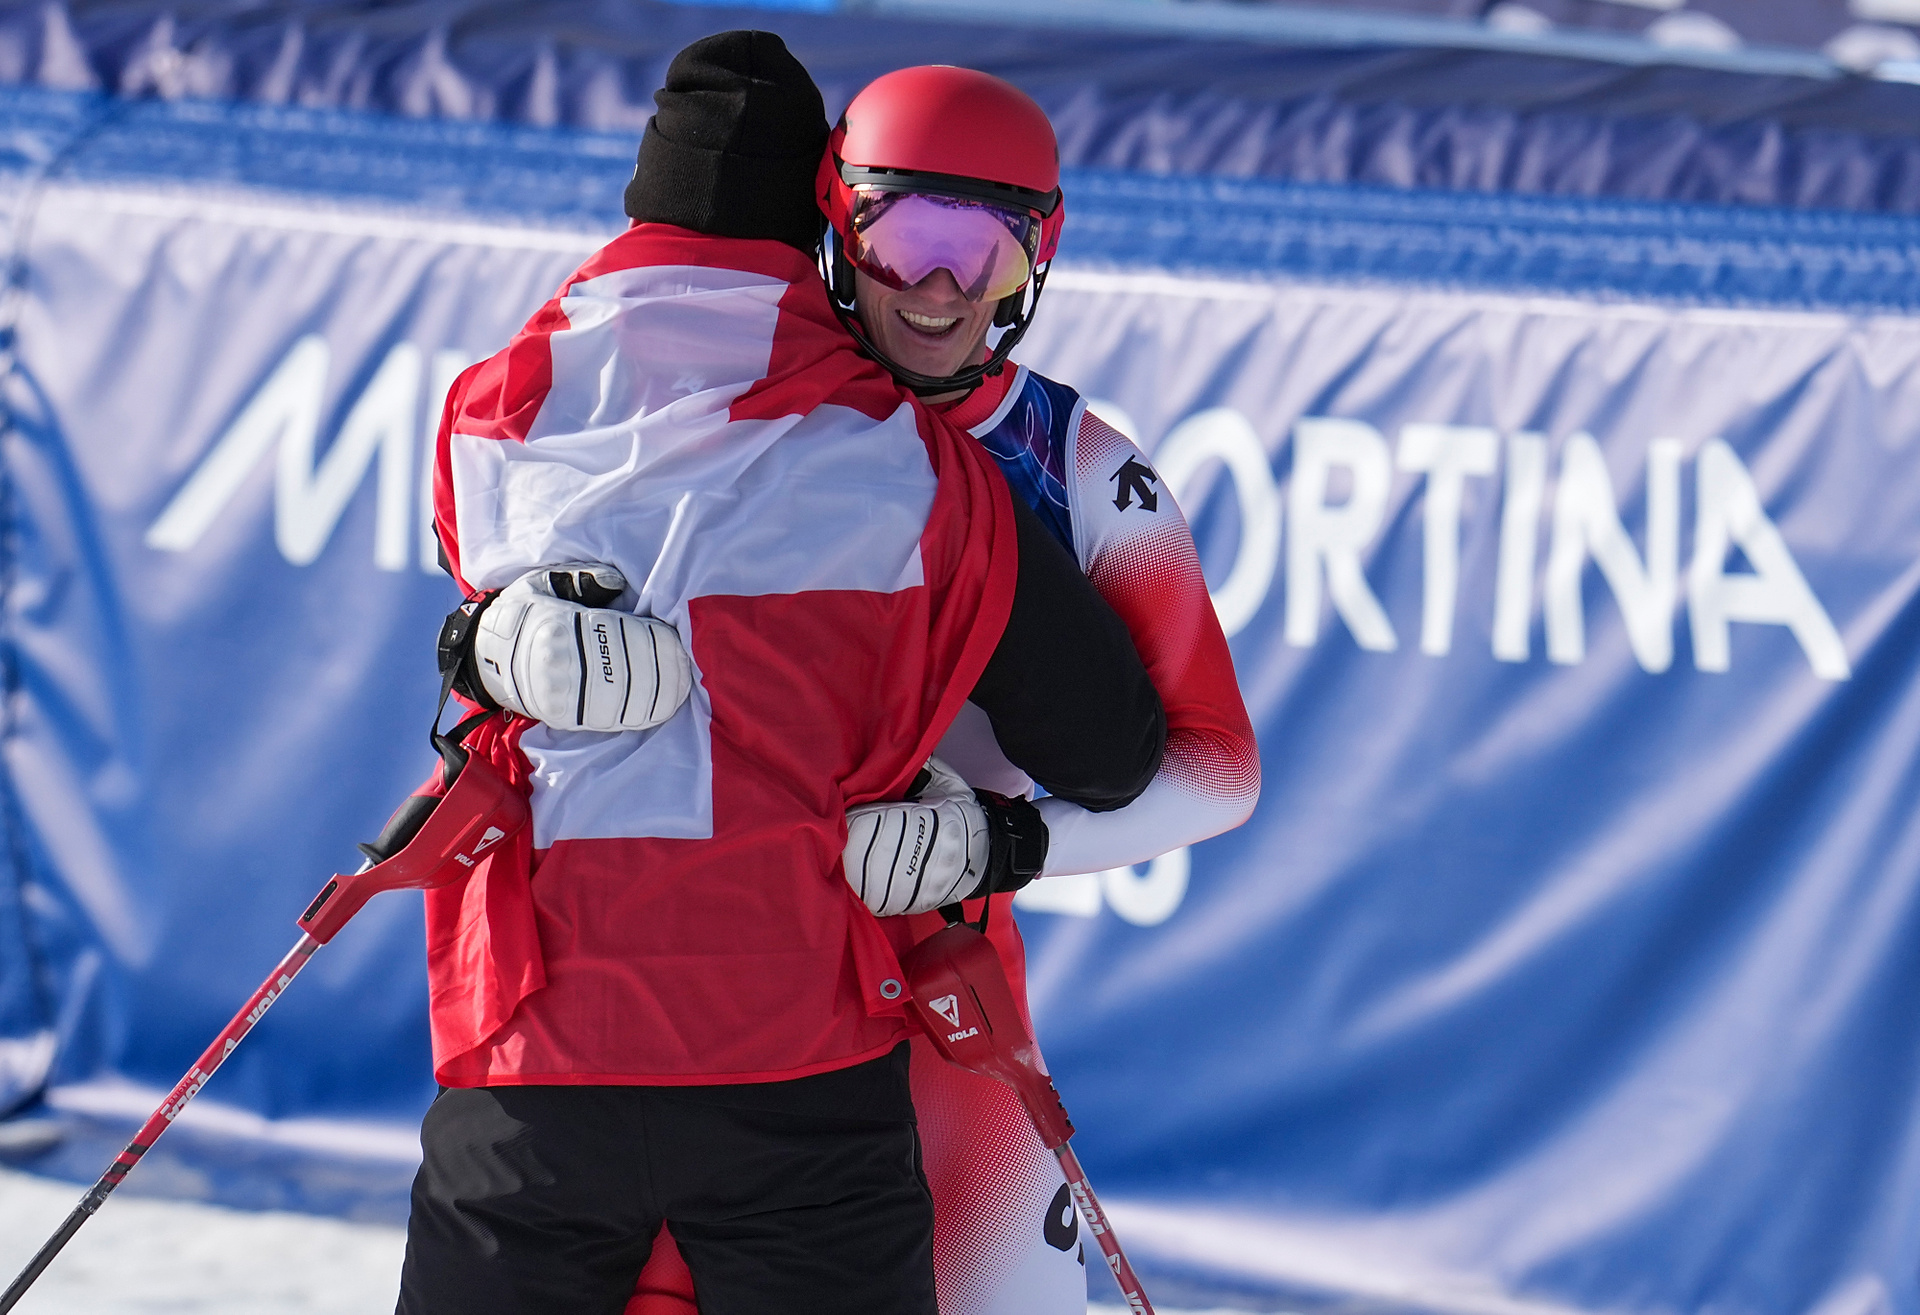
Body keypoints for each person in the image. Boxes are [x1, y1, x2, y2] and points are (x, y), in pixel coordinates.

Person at [396, 32, 1166, 1315]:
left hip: (527, 1083)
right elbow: (1114, 750)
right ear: (826, 229)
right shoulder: (930, 472)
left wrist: (477, 642)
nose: (934, 284)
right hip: (798, 1079)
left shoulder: (489, 413)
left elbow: (474, 638)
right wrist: (1000, 837)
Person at [590, 63, 1262, 1315]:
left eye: (986, 253)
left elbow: (1214, 770)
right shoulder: (734, 406)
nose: (944, 292)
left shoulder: (1074, 467)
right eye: (904, 243)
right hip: (709, 973)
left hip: (935, 993)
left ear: (1039, 259)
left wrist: (1000, 842)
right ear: (838, 230)